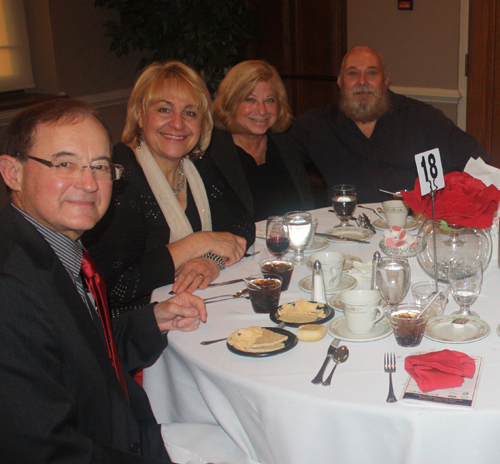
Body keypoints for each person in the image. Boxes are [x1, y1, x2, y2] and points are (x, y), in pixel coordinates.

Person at [0, 98, 210, 463]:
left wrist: (151, 320)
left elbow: (74, 353)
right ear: (12, 172)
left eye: (99, 166)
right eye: (64, 164)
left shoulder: (53, 246)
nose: (89, 183)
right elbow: (44, 452)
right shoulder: (10, 289)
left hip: (127, 431)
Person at [84, 62, 255, 316]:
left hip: (198, 306)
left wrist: (211, 260)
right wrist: (198, 242)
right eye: (164, 109)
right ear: (140, 115)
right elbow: (118, 285)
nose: (177, 124)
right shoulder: (118, 177)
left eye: (190, 113)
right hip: (138, 327)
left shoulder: (198, 165)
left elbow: (242, 226)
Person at [290, 46, 490, 204]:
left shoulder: (421, 118)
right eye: (352, 74)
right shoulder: (317, 125)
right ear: (340, 83)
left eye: (372, 73)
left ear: (385, 81)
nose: (362, 81)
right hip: (347, 234)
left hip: (413, 231)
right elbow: (274, 151)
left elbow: (476, 161)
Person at [207, 60, 313, 222]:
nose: (262, 111)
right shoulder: (210, 153)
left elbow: (306, 209)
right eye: (250, 100)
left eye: (270, 100)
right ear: (230, 103)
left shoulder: (285, 144)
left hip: (291, 245)